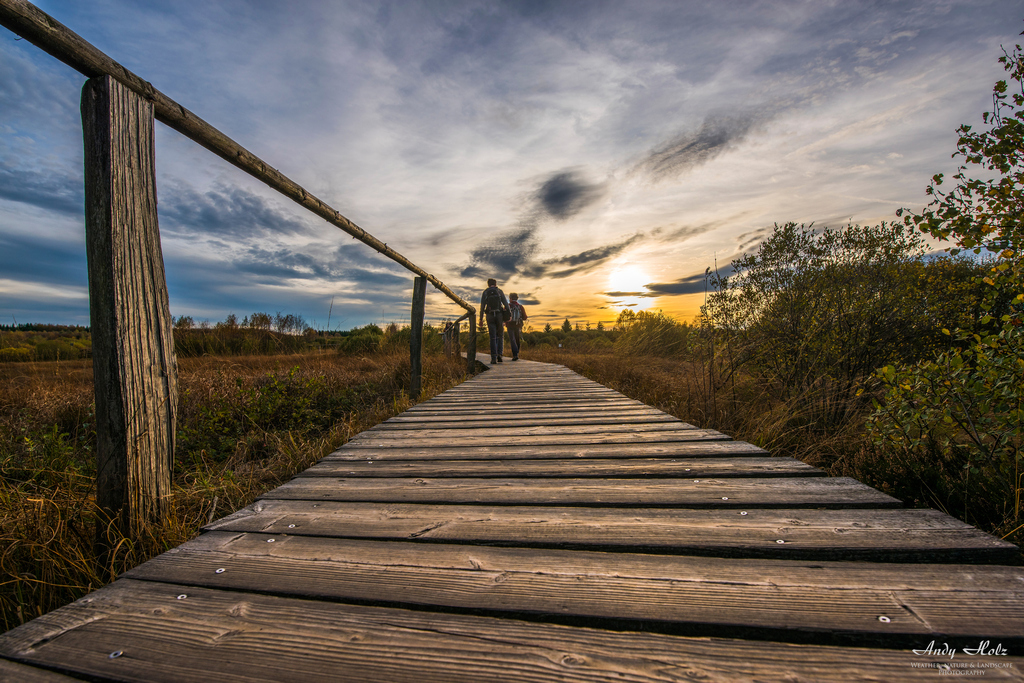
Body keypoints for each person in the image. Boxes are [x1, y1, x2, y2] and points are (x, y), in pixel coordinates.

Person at [479, 278, 509, 364]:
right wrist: (508, 315)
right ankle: (500, 354)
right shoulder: (499, 291)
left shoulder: (485, 292)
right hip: (499, 315)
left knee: (492, 337)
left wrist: (481, 319)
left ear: (488, 284)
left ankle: (493, 358)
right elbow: (506, 304)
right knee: (500, 335)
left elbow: (482, 307)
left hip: (490, 315)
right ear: (495, 284)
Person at [506, 293, 527, 361]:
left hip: (510, 325)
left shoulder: (508, 306)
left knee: (512, 340)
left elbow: (504, 316)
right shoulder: (520, 307)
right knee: (517, 339)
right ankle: (517, 353)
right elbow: (524, 317)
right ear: (517, 298)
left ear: (510, 298)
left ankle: (515, 354)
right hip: (518, 325)